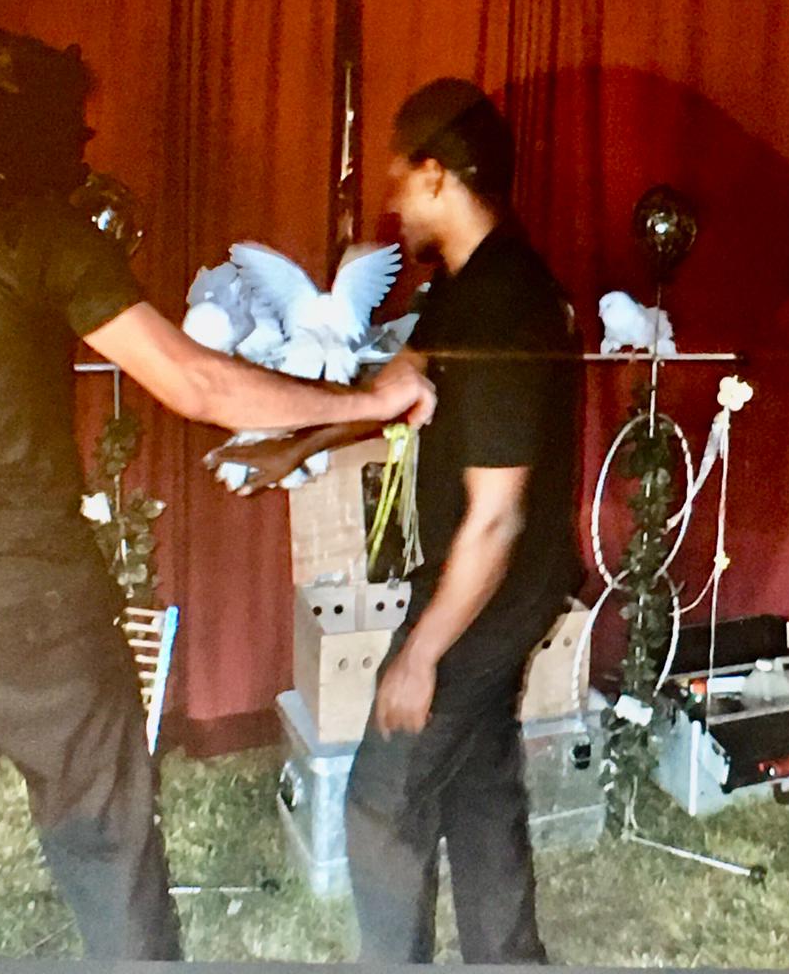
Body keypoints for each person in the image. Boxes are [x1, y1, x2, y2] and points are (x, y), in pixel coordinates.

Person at [0, 27, 434, 961]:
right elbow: (196, 385)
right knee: (105, 854)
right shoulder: (42, 235)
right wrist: (367, 400)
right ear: (39, 132)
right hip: (37, 617)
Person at [223, 78, 582, 963]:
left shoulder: (504, 307)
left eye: (398, 179)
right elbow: (396, 387)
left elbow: (496, 521)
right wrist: (292, 448)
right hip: (488, 581)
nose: (391, 202)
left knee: (382, 800)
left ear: (436, 175)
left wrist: (420, 655)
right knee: (477, 784)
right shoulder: (469, 283)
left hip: (490, 590)